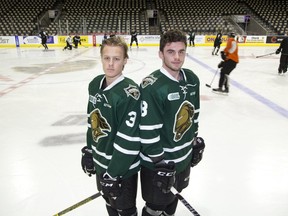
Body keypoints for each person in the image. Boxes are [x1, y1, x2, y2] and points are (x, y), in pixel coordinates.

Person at [139, 29, 205, 216]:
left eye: (181, 51)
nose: (177, 57)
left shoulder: (191, 79)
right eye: (170, 52)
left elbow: (195, 114)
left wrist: (194, 142)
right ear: (161, 54)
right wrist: (160, 162)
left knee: (173, 199)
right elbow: (147, 130)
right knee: (155, 207)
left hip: (182, 159)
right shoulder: (152, 86)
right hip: (159, 164)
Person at [81, 36, 141, 216]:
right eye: (107, 58)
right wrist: (90, 150)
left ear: (125, 61)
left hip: (122, 170)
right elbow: (92, 121)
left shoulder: (130, 93)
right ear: (101, 58)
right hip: (101, 164)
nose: (111, 64)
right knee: (109, 205)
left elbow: (129, 141)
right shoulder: (95, 84)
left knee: (125, 210)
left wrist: (113, 173)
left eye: (116, 58)